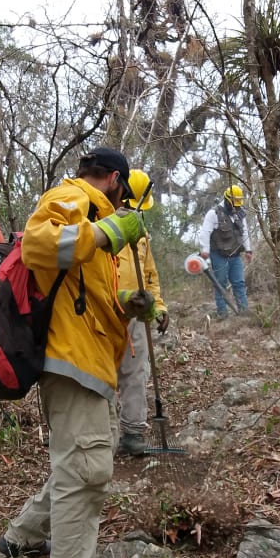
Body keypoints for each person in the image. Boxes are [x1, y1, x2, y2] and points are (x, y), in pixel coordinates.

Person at [0, 146, 156, 558]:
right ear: (112, 179)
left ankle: (20, 538)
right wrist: (107, 232)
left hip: (86, 360)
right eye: (123, 194)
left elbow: (84, 296)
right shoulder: (72, 197)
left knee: (82, 463)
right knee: (86, 472)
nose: (124, 206)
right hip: (71, 359)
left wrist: (129, 300)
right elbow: (38, 246)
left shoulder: (89, 211)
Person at [116, 169, 169, 456]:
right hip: (103, 313)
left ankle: (133, 433)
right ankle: (103, 435)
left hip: (136, 315)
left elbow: (150, 275)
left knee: (135, 372)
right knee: (101, 376)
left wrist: (158, 305)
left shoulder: (142, 235)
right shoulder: (98, 227)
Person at [198, 184, 252, 319]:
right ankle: (223, 313)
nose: (236, 206)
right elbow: (205, 233)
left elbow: (244, 232)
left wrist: (248, 250)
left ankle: (244, 312)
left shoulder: (240, 214)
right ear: (227, 199)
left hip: (235, 255)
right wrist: (205, 250)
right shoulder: (213, 213)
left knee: (239, 283)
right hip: (219, 255)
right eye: (234, 203)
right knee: (220, 283)